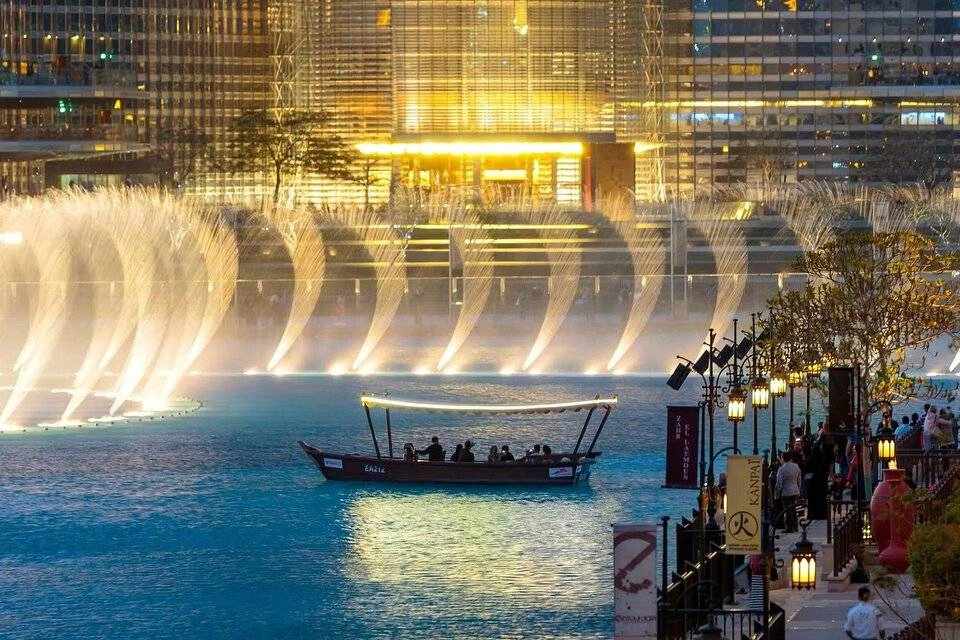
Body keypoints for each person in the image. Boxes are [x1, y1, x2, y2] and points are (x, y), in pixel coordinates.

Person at [776, 451, 802, 533]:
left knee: (787, 510)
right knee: (793, 509)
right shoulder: (796, 466)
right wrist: (799, 488)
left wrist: (777, 492)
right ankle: (795, 526)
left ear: (783, 458)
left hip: (786, 491)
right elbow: (799, 479)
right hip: (795, 490)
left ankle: (789, 528)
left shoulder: (782, 469)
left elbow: (779, 483)